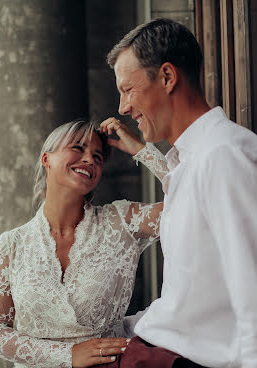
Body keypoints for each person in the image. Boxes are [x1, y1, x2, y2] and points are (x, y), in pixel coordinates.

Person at [96, 17, 257, 368]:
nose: (122, 108)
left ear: (167, 77)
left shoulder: (224, 157)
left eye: (127, 89)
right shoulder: (192, 163)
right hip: (153, 344)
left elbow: (253, 290)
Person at [0, 119, 170, 368]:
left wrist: (141, 150)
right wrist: (68, 355)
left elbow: (194, 204)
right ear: (46, 159)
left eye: (98, 156)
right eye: (78, 148)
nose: (90, 160)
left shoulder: (122, 223)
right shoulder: (12, 244)